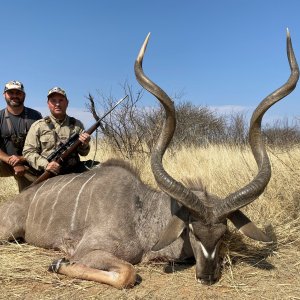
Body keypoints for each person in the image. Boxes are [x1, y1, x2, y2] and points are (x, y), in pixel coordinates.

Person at [23, 86, 91, 177]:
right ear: (48, 104)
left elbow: (84, 153)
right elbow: (28, 152)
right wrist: (46, 165)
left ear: (67, 103)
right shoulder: (38, 126)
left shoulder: (77, 125)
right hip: (49, 172)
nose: (57, 104)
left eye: (61, 100)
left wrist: (85, 144)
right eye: (53, 101)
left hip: (74, 170)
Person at [0, 80, 42, 192]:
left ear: (24, 95)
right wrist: (12, 161)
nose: (14, 96)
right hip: (5, 161)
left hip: (28, 162)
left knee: (31, 194)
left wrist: (21, 160)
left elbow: (42, 146)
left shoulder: (36, 116)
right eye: (11, 93)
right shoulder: (0, 116)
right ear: (4, 95)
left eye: (18, 93)